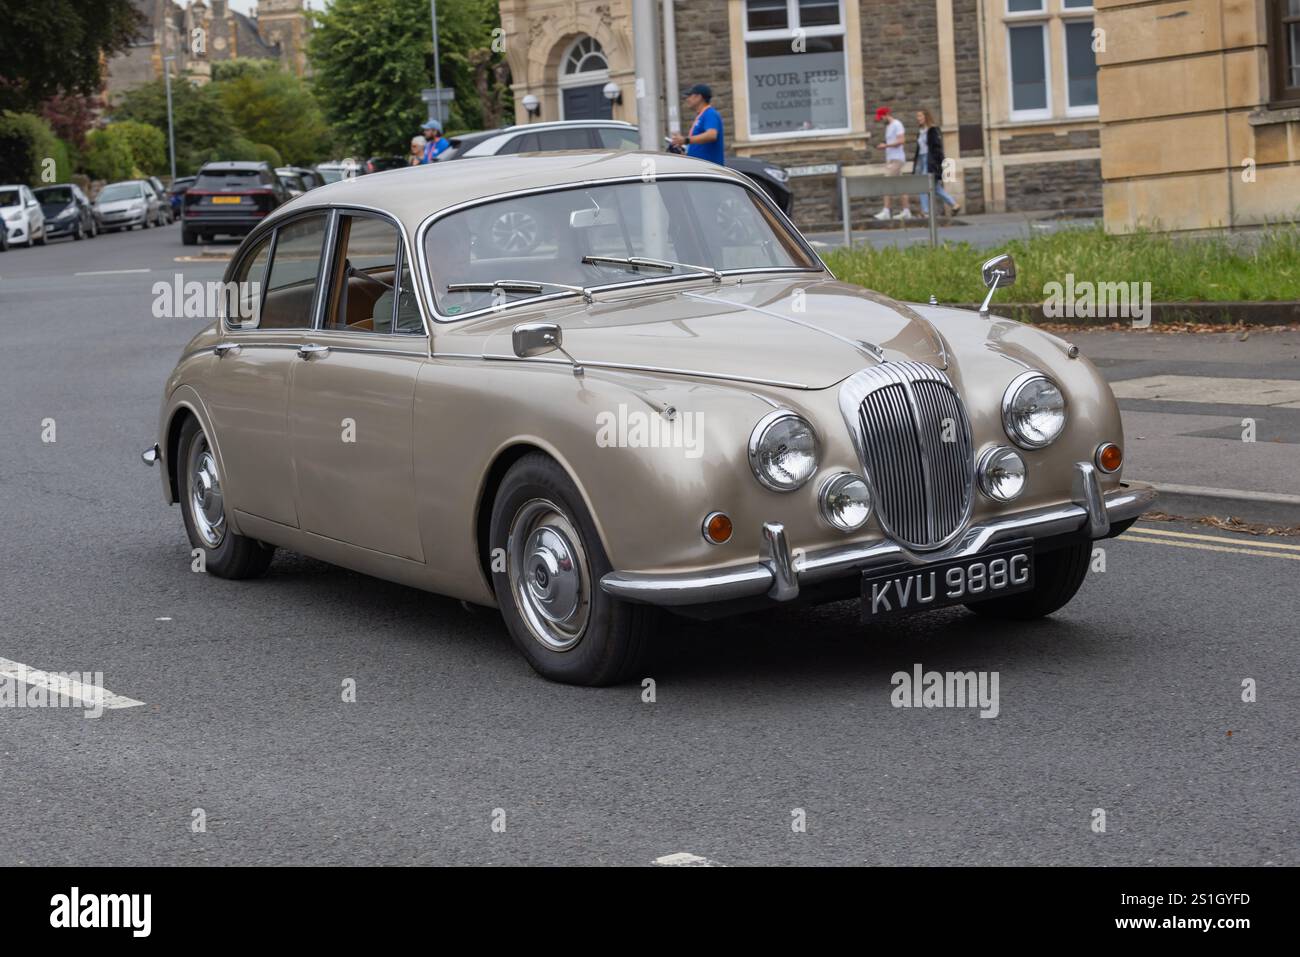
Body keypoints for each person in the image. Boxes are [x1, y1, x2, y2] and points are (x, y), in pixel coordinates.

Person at [913, 109, 959, 218]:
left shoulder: (932, 130)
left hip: (930, 161)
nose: (918, 118)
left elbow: (937, 148)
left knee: (923, 186)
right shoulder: (920, 131)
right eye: (917, 116)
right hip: (922, 160)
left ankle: (925, 211)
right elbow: (919, 150)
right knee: (936, 188)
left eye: (920, 116)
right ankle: (954, 204)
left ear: (926, 117)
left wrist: (938, 164)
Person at [670, 84, 724, 166]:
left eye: (690, 96)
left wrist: (686, 140)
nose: (687, 99)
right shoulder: (702, 115)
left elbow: (712, 135)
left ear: (699, 97)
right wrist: (684, 153)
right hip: (701, 168)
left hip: (708, 171)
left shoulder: (710, 113)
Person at [873, 106, 910, 221]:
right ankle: (906, 211)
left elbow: (901, 140)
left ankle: (886, 211)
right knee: (901, 185)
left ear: (886, 115)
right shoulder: (889, 127)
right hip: (892, 159)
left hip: (897, 159)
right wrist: (885, 147)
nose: (880, 119)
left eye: (881, 117)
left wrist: (886, 145)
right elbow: (892, 142)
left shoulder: (897, 124)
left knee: (886, 182)